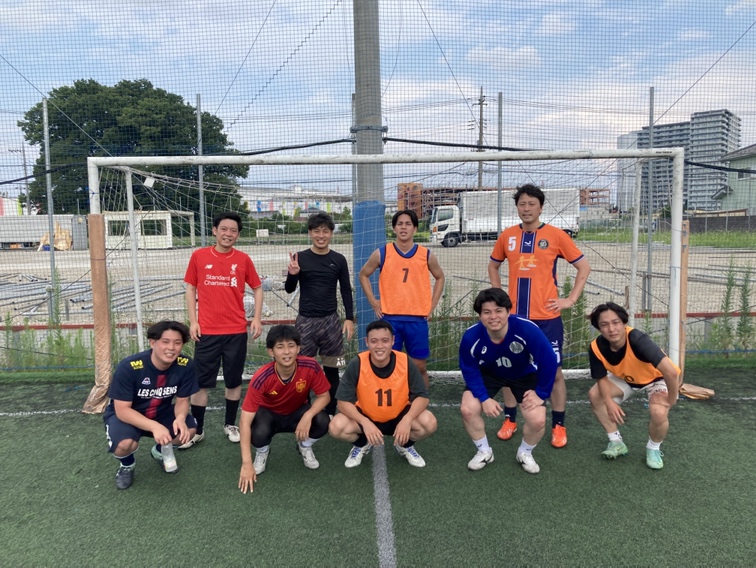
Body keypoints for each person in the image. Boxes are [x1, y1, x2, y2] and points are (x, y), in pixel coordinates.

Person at [487, 184, 591, 448]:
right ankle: (510, 419)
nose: (526, 208)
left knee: (554, 373)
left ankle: (558, 425)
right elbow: (493, 265)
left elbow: (583, 266)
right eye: (522, 204)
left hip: (547, 319)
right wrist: (498, 296)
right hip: (515, 320)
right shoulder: (507, 236)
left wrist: (570, 299)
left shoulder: (556, 235)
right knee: (509, 369)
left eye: (531, 204)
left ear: (541, 207)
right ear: (517, 207)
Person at [182, 211, 264, 449]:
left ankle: (230, 424)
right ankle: (198, 429)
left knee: (233, 381)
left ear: (238, 235)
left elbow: (258, 288)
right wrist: (193, 321)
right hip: (207, 331)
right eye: (224, 229)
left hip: (235, 331)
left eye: (233, 230)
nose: (228, 234)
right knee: (201, 382)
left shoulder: (243, 259)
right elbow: (190, 288)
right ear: (215, 230)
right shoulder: (199, 256)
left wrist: (256, 318)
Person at [460, 288, 557, 474]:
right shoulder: (471, 336)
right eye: (486, 312)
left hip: (523, 374)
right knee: (468, 409)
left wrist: (540, 394)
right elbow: (469, 369)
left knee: (537, 420)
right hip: (489, 374)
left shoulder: (526, 329)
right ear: (479, 315)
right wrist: (484, 398)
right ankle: (484, 451)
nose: (493, 317)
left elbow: (549, 361)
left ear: (508, 311)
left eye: (498, 311)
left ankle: (525, 453)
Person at [103, 320, 198, 490]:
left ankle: (159, 451)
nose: (171, 348)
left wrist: (181, 418)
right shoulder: (129, 367)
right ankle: (127, 465)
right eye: (165, 342)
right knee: (124, 445)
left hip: (161, 411)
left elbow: (183, 400)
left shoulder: (185, 365)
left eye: (177, 343)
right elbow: (122, 410)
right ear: (153, 342)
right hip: (129, 415)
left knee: (188, 431)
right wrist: (155, 427)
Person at [328, 320, 437, 468]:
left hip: (399, 416)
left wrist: (407, 419)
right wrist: (364, 422)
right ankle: (362, 444)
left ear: (393, 341)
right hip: (367, 416)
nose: (379, 346)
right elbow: (342, 402)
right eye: (374, 341)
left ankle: (405, 445)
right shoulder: (357, 363)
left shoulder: (405, 361)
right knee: (336, 426)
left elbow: (422, 397)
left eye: (385, 340)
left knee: (429, 422)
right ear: (367, 342)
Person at [587, 302, 680, 470]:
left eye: (616, 322)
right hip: (627, 378)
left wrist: (671, 400)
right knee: (595, 395)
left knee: (659, 413)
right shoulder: (596, 347)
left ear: (624, 322)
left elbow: (671, 373)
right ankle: (616, 442)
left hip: (655, 379)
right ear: (598, 328)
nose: (611, 329)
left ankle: (653, 448)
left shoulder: (638, 340)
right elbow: (601, 378)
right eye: (604, 324)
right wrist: (608, 402)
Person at [238, 325, 331, 494]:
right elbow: (244, 421)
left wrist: (307, 416)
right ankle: (262, 451)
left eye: (291, 346)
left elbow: (325, 396)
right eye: (280, 347)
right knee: (257, 432)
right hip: (270, 415)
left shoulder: (311, 366)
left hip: (297, 412)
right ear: (271, 352)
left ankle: (304, 445)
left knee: (323, 420)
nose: (287, 352)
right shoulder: (261, 377)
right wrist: (246, 463)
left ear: (298, 348)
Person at [358, 209, 445, 389]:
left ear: (415, 228)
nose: (403, 228)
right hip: (390, 318)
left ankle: (421, 401)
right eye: (400, 224)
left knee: (419, 367)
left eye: (408, 224)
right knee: (388, 364)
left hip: (417, 319)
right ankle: (390, 402)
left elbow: (440, 277)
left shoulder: (426, 255)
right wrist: (374, 301)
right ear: (394, 228)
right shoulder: (382, 253)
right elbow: (363, 274)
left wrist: (432, 304)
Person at [285, 212, 354, 416]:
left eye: (325, 231)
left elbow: (345, 290)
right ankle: (304, 409)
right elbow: (289, 289)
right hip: (306, 322)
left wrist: (349, 318)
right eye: (316, 231)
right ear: (310, 233)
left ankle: (331, 411)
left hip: (331, 322)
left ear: (331, 233)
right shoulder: (300, 257)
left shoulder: (339, 259)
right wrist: (293, 274)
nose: (321, 235)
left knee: (333, 369)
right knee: (302, 369)